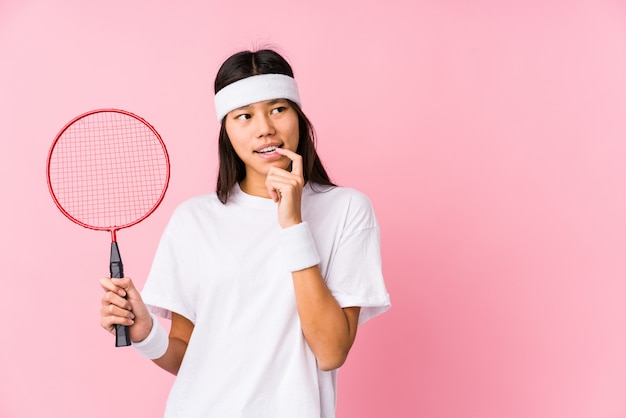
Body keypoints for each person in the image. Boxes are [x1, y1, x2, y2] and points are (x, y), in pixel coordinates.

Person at [99, 48, 391, 418]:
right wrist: (145, 333)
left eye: (278, 109)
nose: (265, 127)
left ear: (298, 116)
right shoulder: (194, 219)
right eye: (244, 116)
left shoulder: (347, 210)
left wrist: (293, 224)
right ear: (227, 130)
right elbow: (191, 355)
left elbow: (331, 351)